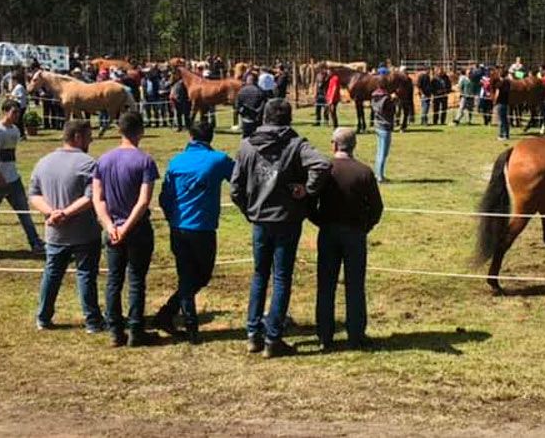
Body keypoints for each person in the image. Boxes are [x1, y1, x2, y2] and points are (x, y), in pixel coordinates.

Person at [230, 99, 331, 358]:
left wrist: (249, 211)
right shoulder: (296, 144)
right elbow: (322, 164)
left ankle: (253, 333)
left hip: (260, 221)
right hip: (287, 220)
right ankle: (273, 338)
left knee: (259, 275)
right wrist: (307, 190)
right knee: (281, 277)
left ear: (264, 117)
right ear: (288, 118)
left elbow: (235, 189)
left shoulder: (246, 146)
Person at [155, 120, 236, 344]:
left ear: (190, 136)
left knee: (188, 275)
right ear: (211, 138)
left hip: (179, 226)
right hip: (203, 227)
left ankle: (169, 314)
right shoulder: (218, 159)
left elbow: (164, 197)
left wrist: (172, 217)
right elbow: (238, 178)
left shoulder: (176, 161)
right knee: (200, 275)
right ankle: (189, 325)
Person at [311, 128, 384, 350]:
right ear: (354, 146)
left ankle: (325, 335)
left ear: (334, 145)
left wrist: (320, 221)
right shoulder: (364, 172)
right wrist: (365, 226)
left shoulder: (325, 170)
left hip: (328, 233)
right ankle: (356, 335)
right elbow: (377, 207)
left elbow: (310, 203)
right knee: (355, 285)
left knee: (326, 285)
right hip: (355, 234)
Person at [28, 120, 103, 334]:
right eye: (89, 135)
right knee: (86, 275)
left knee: (52, 274)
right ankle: (92, 321)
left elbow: (34, 194)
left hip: (55, 233)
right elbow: (92, 198)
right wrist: (65, 213)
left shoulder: (43, 162)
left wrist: (52, 214)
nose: (91, 140)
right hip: (84, 233)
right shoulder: (88, 163)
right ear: (78, 137)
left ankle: (43, 317)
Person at [93, 112, 160, 348]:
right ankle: (136, 330)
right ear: (140, 130)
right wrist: (127, 227)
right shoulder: (145, 161)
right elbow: (143, 202)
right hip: (137, 229)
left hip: (111, 230)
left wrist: (111, 226)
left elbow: (98, 198)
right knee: (136, 280)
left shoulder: (103, 160)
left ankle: (115, 331)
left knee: (113, 280)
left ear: (119, 130)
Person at [0, 100, 46, 256]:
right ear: (5, 112)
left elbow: (10, 156)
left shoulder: (15, 131)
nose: (17, 116)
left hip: (13, 178)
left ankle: (35, 242)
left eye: (18, 112)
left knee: (24, 212)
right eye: (14, 112)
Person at [372, 83, 395, 182]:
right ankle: (380, 176)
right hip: (385, 127)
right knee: (383, 153)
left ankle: (378, 174)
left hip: (378, 125)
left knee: (379, 152)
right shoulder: (386, 99)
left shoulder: (374, 96)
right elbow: (391, 111)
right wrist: (394, 100)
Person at [493, 67, 511, 141]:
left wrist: (494, 101)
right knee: (505, 120)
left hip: (500, 103)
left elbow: (497, 93)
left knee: (500, 120)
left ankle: (501, 135)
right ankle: (506, 134)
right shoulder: (508, 83)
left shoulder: (499, 84)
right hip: (506, 103)